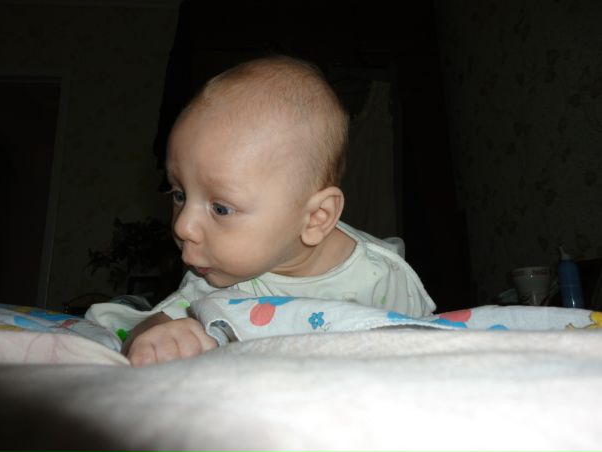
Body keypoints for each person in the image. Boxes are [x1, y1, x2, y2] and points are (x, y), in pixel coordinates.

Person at [86, 55, 436, 366]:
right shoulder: (217, 276)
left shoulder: (383, 279)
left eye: (220, 208)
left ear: (316, 218)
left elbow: (427, 351)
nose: (183, 226)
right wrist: (157, 336)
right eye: (179, 194)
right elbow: (154, 325)